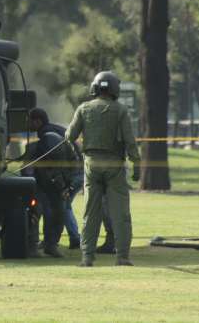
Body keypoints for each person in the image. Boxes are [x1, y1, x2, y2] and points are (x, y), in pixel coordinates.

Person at [65, 71, 141, 267]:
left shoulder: (83, 109)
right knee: (120, 214)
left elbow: (70, 136)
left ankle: (87, 258)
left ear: (94, 89)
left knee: (90, 213)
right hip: (115, 167)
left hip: (91, 167)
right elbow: (129, 141)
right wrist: (136, 164)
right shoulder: (121, 110)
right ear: (115, 89)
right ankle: (122, 257)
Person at [24, 108, 79, 258]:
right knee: (36, 210)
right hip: (39, 183)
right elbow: (26, 170)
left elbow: (75, 165)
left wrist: (70, 184)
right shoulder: (33, 149)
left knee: (61, 211)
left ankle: (51, 244)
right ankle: (32, 246)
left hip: (58, 183)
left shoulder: (66, 147)